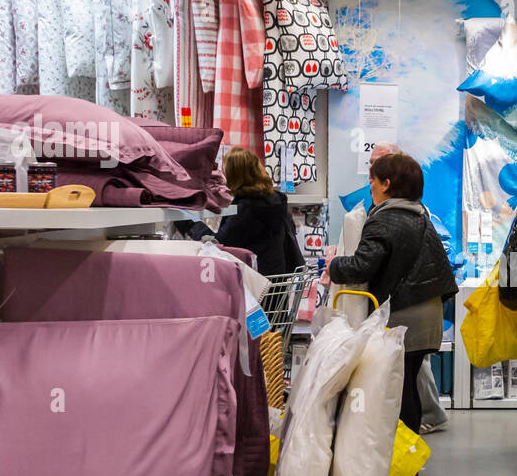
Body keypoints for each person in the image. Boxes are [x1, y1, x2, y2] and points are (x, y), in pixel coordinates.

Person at [327, 150, 458, 433]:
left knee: (398, 391)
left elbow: (363, 266)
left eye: (372, 180)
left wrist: (334, 264)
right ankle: (408, 457)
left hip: (403, 314)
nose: (369, 186)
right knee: (407, 383)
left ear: (386, 184)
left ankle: (402, 464)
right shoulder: (420, 215)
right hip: (427, 311)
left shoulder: (384, 219)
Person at [183, 147, 304, 277]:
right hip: (275, 281)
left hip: (256, 284)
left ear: (234, 175)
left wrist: (189, 222)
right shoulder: (275, 201)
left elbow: (218, 244)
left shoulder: (248, 208)